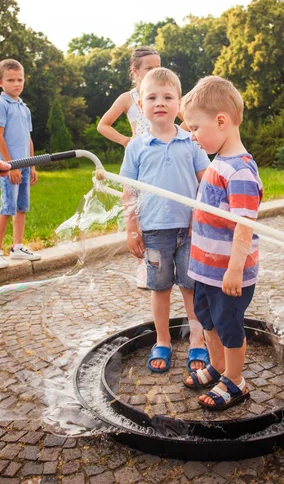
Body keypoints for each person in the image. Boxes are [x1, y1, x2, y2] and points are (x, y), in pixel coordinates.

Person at [120, 67, 211, 373]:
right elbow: (129, 191)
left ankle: (198, 342)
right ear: (142, 106)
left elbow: (207, 184)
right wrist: (132, 227)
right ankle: (163, 340)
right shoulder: (136, 147)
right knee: (160, 290)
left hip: (190, 230)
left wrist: (207, 218)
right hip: (154, 231)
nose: (160, 102)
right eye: (152, 97)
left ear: (179, 104)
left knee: (191, 288)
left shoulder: (192, 142)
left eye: (167, 97)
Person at [181, 75, 263, 411]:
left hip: (229, 276)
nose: (193, 135)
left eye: (195, 127)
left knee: (229, 327)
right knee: (207, 319)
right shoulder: (218, 162)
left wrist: (234, 269)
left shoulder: (240, 172)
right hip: (206, 269)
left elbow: (244, 228)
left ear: (220, 121)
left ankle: (235, 381)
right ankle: (217, 366)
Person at [98, 46, 161, 289]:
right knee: (141, 209)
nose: (156, 71)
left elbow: (187, 116)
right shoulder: (128, 98)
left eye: (159, 67)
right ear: (135, 70)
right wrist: (126, 140)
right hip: (140, 160)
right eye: (150, 68)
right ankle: (146, 263)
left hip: (163, 157)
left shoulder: (165, 94)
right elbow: (103, 125)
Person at [0, 59, 41, 270]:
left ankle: (17, 247)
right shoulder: (0, 106)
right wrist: (12, 165)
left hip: (25, 165)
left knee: (21, 207)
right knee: (7, 207)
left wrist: (32, 164)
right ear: (0, 82)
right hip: (8, 166)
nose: (16, 84)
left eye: (20, 80)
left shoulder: (23, 107)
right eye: (11, 80)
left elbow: (28, 138)